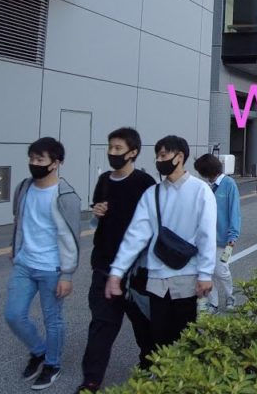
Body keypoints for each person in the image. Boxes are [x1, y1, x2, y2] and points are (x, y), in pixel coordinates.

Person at [105, 136, 216, 352]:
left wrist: (205, 274)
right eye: (157, 155)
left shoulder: (200, 190)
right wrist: (117, 272)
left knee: (187, 340)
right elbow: (135, 235)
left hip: (188, 279)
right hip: (156, 280)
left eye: (164, 155)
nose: (159, 160)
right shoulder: (152, 193)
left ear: (180, 157)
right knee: (160, 339)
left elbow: (206, 235)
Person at [78, 128, 155, 394]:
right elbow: (94, 219)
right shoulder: (104, 180)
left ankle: (149, 364)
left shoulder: (145, 183)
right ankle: (91, 381)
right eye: (110, 147)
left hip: (136, 269)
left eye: (118, 149)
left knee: (143, 324)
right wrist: (95, 213)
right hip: (104, 264)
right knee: (101, 324)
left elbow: (154, 223)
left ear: (132, 152)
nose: (112, 153)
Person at [6, 137, 81, 391]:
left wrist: (67, 275)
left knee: (53, 320)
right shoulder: (24, 188)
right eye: (32, 159)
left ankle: (53, 363)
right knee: (13, 315)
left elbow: (71, 239)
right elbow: (19, 220)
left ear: (56, 163)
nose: (34, 164)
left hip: (53, 268)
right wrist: (14, 248)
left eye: (40, 160)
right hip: (24, 263)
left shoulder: (66, 196)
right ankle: (38, 351)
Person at [193, 154, 241, 314]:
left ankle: (230, 296)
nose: (202, 175)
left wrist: (233, 236)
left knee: (221, 270)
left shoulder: (229, 184)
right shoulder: (203, 186)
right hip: (204, 239)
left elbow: (235, 211)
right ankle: (212, 302)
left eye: (203, 171)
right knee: (207, 271)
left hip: (224, 239)